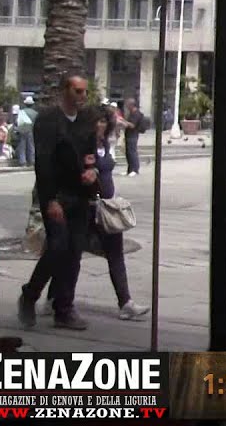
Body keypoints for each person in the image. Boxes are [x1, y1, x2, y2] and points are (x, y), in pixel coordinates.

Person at [39, 105, 149, 320]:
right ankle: (53, 299)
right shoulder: (80, 145)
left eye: (105, 121)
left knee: (115, 253)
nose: (101, 125)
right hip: (84, 207)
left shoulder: (104, 144)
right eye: (98, 121)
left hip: (105, 207)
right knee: (71, 254)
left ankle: (125, 302)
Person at [18, 73, 95, 330]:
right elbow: (43, 162)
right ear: (64, 91)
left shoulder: (86, 119)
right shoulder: (48, 120)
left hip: (80, 194)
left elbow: (91, 153)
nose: (82, 96)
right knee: (57, 247)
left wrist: (92, 171)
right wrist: (50, 200)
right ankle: (30, 294)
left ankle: (64, 308)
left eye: (85, 91)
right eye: (77, 91)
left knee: (74, 252)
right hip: (57, 195)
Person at [120, 99, 145, 176]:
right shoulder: (131, 113)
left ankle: (135, 169)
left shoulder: (136, 114)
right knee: (128, 153)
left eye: (127, 105)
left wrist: (124, 121)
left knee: (132, 152)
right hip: (128, 135)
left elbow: (132, 125)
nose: (126, 107)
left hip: (133, 135)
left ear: (131, 105)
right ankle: (130, 170)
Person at [16, 96, 37, 167]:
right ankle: (32, 161)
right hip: (31, 130)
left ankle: (23, 162)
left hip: (22, 130)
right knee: (31, 146)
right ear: (32, 104)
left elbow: (17, 121)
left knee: (22, 146)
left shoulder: (21, 112)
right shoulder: (35, 113)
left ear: (25, 104)